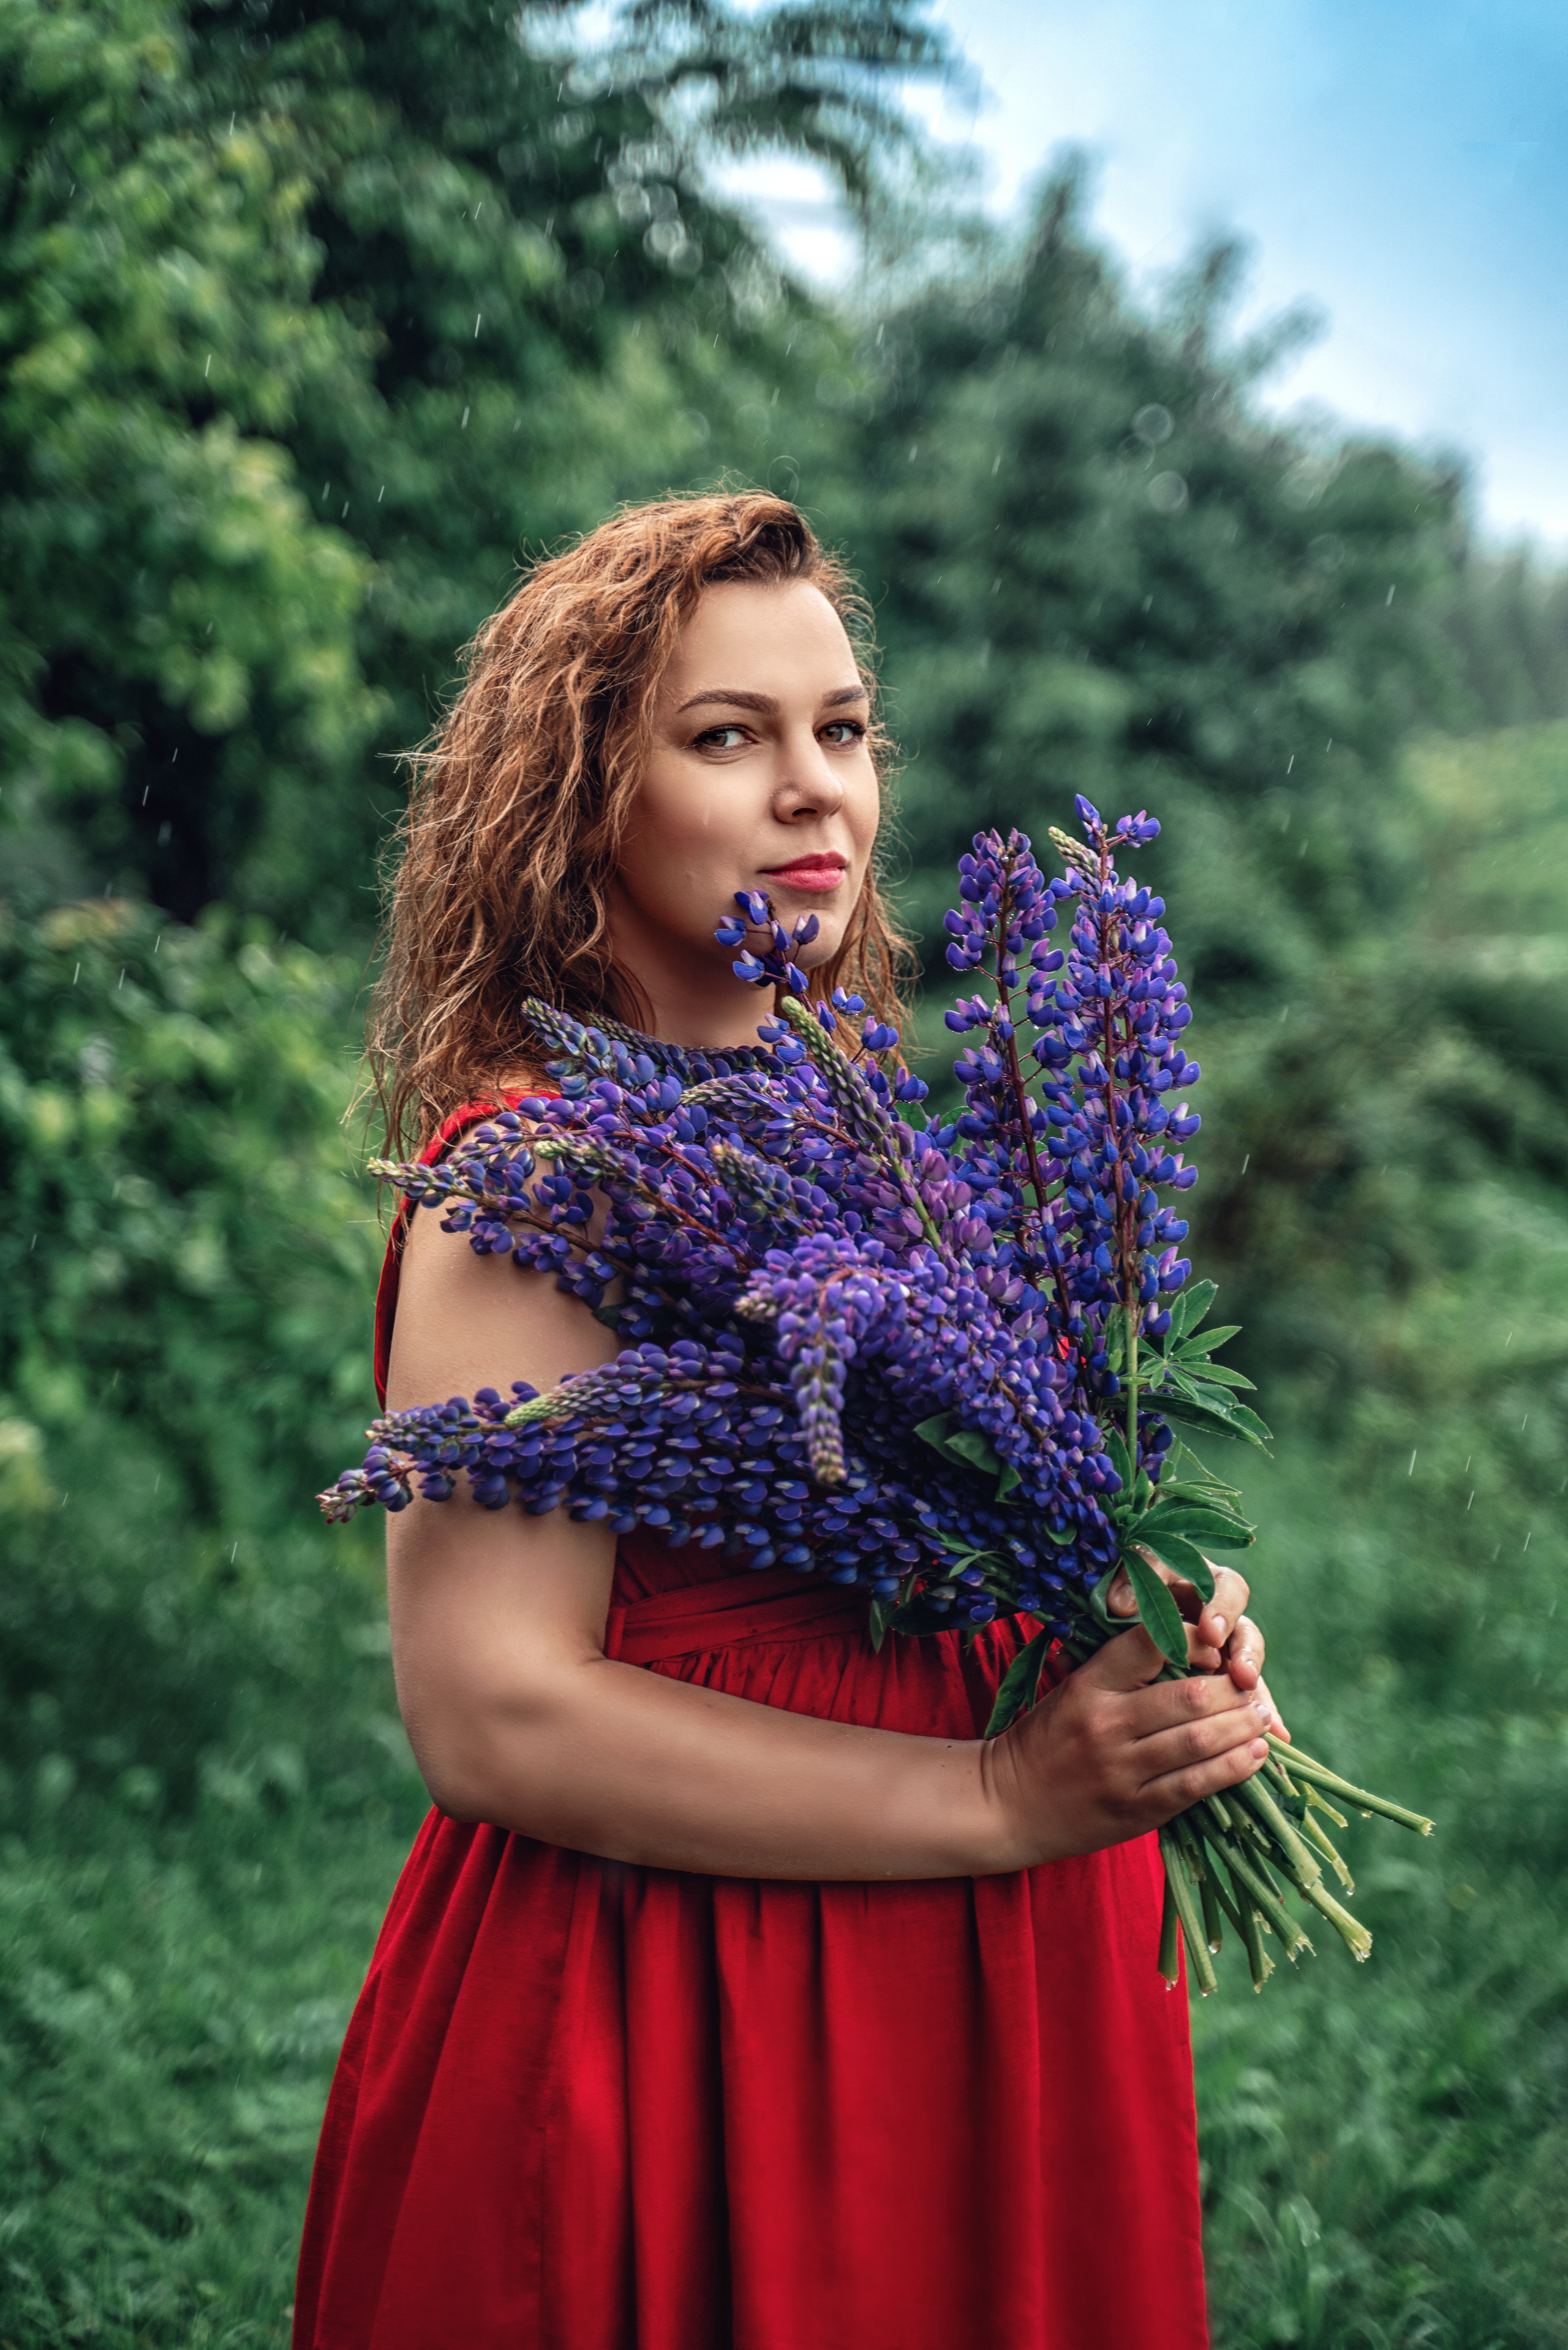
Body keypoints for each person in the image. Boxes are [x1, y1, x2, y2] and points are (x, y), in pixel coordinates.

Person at [292, 492, 1282, 2350]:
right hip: (703, 2001)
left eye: (843, 729)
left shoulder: (886, 1142)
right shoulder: (547, 1176)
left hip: (996, 1967)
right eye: (727, 737)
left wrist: (1148, 1630)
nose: (816, 787)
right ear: (589, 793)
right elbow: (491, 1711)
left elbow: (987, 1521)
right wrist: (996, 1793)